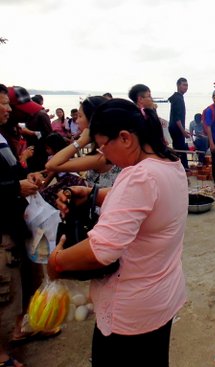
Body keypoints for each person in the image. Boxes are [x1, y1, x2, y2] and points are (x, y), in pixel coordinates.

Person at [47, 99, 188, 367]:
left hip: (131, 311)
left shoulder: (138, 177)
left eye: (103, 145)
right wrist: (91, 194)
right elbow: (147, 203)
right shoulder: (169, 162)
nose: (103, 154)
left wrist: (56, 263)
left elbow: (102, 250)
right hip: (160, 297)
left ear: (124, 138)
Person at [0, 83, 34, 367]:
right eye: (4, 103)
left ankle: (18, 329)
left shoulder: (1, 136)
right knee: (3, 289)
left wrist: (25, 177)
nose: (9, 110)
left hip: (13, 221)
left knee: (18, 284)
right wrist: (15, 187)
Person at [45, 96, 121, 188]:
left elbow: (52, 165)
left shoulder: (101, 156)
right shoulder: (99, 147)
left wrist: (80, 141)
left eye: (80, 116)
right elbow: (67, 160)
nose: (77, 121)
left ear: (93, 120)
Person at [8, 86, 52, 172]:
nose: (30, 114)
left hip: (39, 150)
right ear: (10, 109)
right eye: (25, 109)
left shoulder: (41, 115)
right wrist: (24, 157)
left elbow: (49, 133)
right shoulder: (5, 135)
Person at [168, 77, 190, 169]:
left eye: (187, 85)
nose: (186, 87)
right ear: (178, 85)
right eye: (184, 85)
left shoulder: (178, 97)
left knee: (180, 149)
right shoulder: (178, 98)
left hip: (175, 128)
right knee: (180, 150)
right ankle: (182, 169)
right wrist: (183, 131)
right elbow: (177, 118)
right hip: (176, 128)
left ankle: (182, 168)